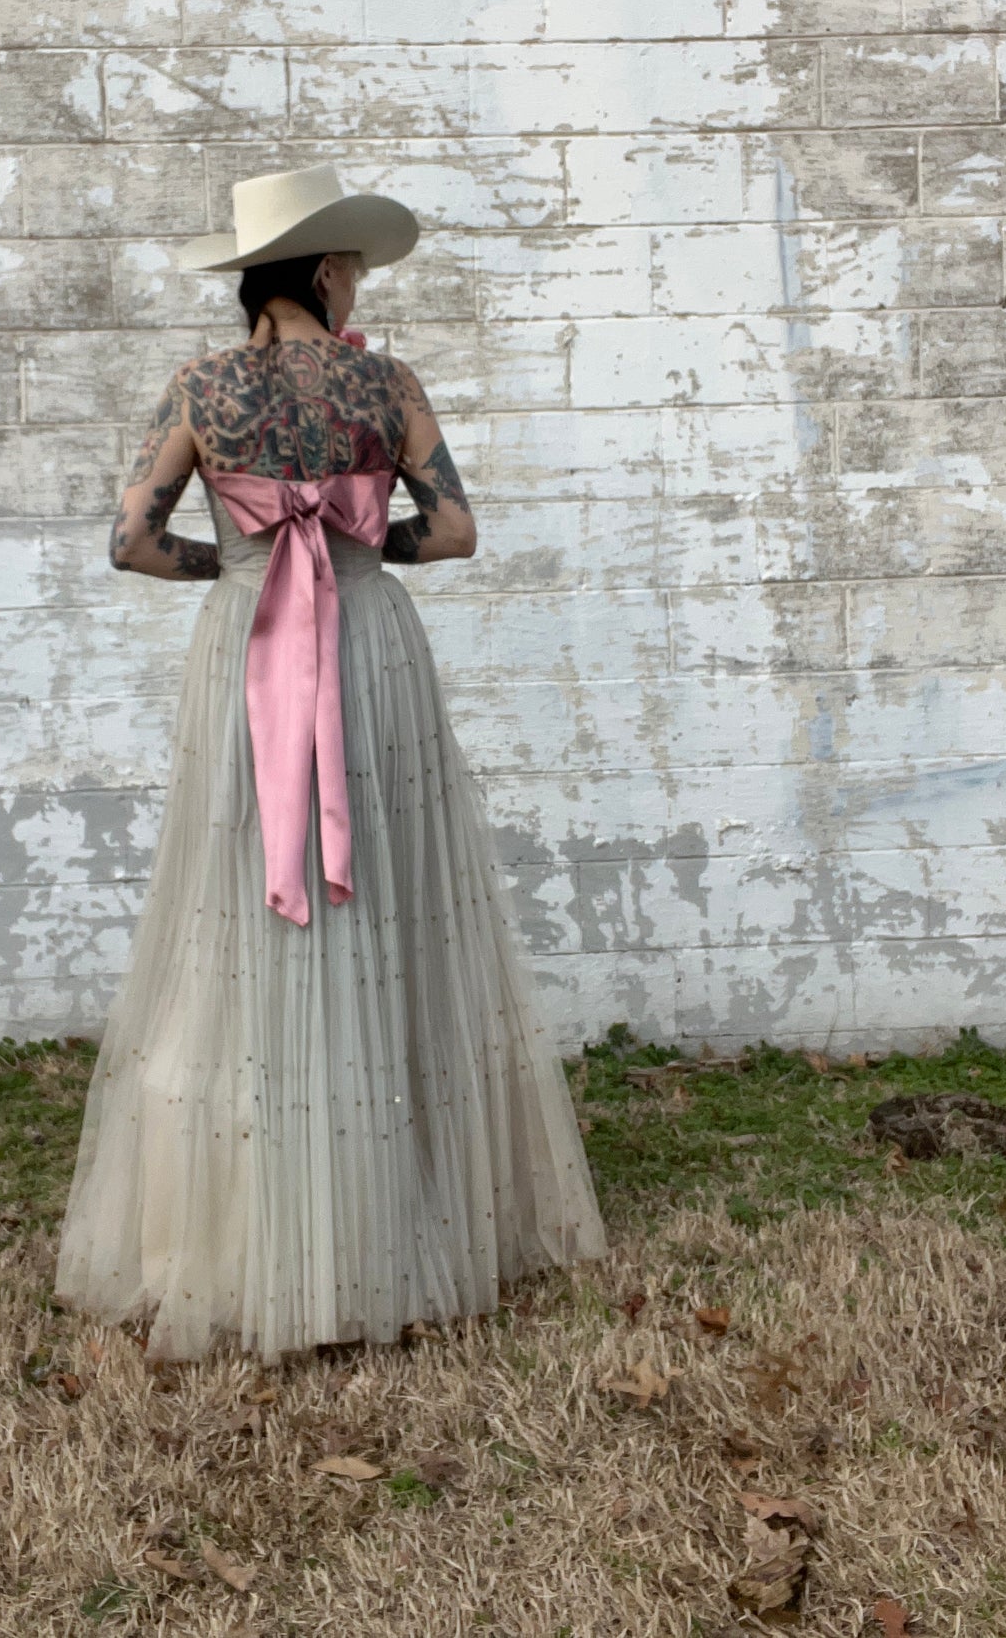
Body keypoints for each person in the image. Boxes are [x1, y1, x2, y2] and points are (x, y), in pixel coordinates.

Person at [54, 164, 605, 1362]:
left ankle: (246, 1224)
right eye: (349, 264)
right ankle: (397, 1207)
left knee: (244, 901)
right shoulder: (385, 383)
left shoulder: (201, 387)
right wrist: (352, 541)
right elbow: (452, 531)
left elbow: (131, 542)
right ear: (317, 269)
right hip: (368, 650)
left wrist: (243, 565)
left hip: (249, 650)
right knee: (383, 895)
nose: (356, 283)